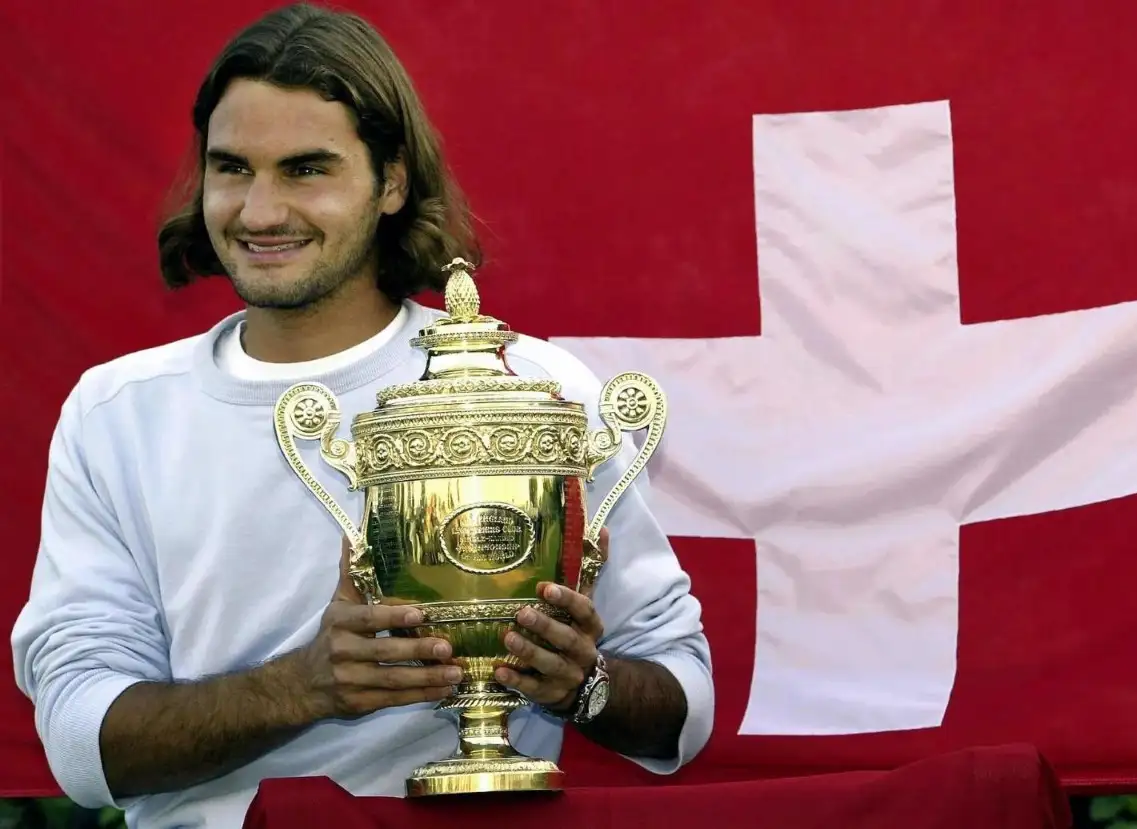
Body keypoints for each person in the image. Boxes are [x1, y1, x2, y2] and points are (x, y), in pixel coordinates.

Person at [9, 4, 714, 828]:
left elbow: (684, 707)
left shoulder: (534, 386)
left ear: (392, 182)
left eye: (306, 170)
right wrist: (303, 686)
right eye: (232, 168)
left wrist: (581, 684)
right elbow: (80, 743)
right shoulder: (116, 413)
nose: (260, 211)